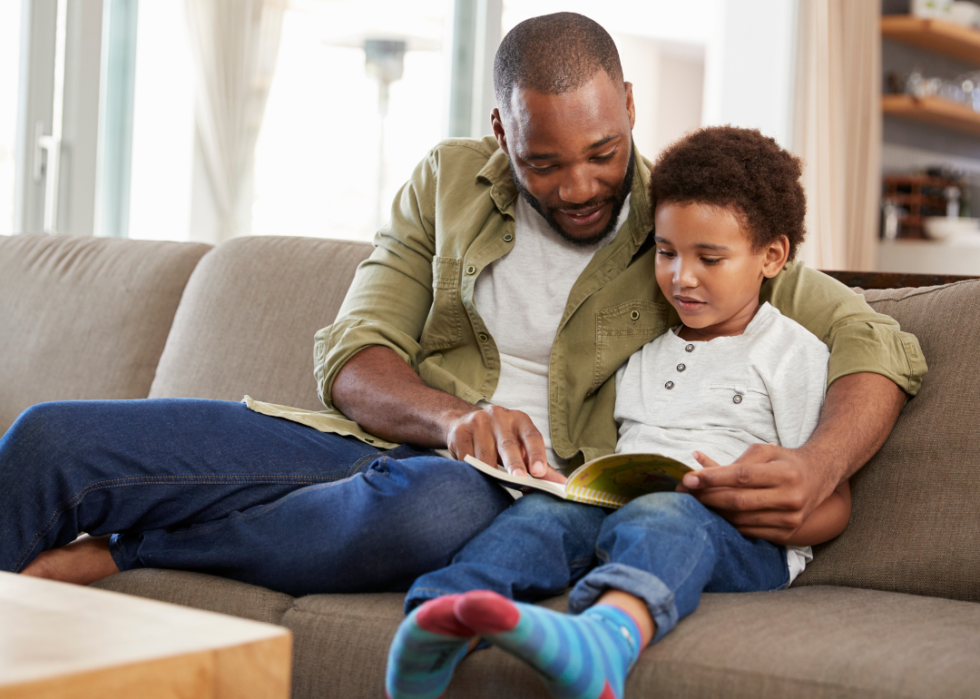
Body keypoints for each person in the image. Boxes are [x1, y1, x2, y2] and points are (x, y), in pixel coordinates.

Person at [1, 14, 922, 598]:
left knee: (435, 516)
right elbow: (355, 351)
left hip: (496, 496)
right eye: (545, 161)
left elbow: (874, 339)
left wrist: (817, 463)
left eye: (603, 150)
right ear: (499, 130)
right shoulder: (445, 184)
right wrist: (453, 419)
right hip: (374, 446)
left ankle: (136, 555)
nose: (580, 186)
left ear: (632, 106)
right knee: (48, 439)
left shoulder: (685, 223)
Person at [385, 126, 853, 699]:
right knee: (540, 518)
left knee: (664, 516)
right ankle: (441, 617)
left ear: (771, 256)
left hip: (738, 537)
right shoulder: (643, 350)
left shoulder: (793, 353)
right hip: (623, 509)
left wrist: (770, 509)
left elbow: (834, 504)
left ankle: (607, 638)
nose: (682, 276)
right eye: (666, 252)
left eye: (710, 258)